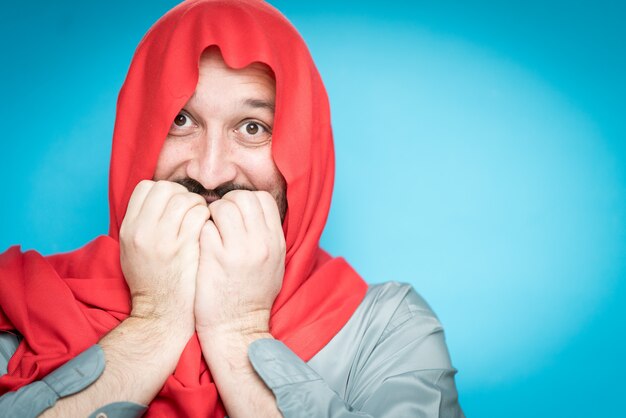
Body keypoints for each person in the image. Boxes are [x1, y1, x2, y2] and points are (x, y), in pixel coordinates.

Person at [0, 0, 464, 417]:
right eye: (181, 120)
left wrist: (239, 331)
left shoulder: (387, 330)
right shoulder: (18, 304)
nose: (210, 171)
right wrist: (153, 324)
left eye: (252, 127)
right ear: (138, 136)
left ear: (301, 153)